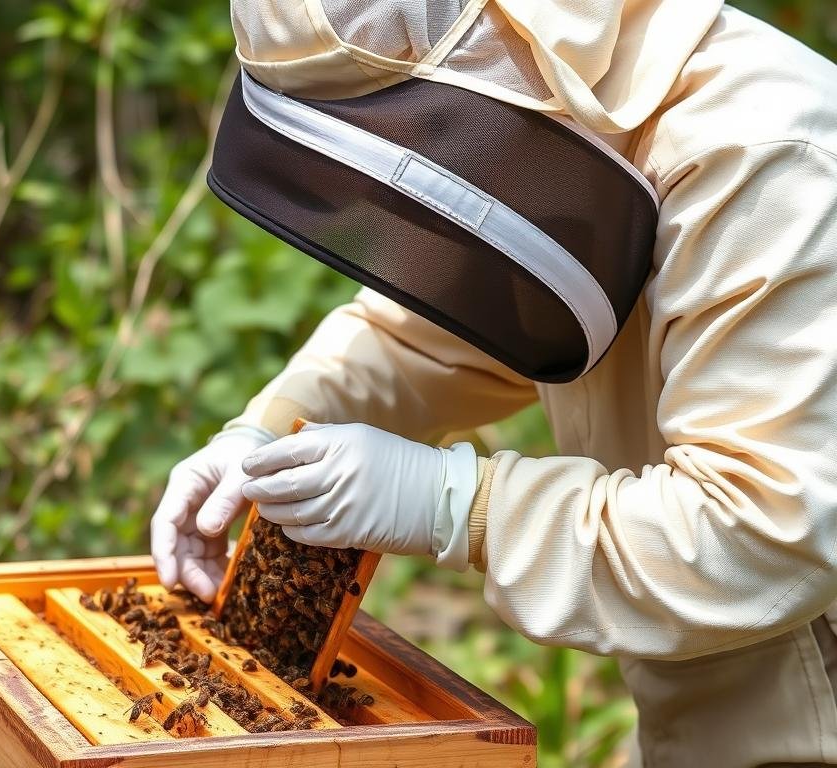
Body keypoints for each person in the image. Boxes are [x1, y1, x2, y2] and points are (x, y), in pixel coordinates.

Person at [151, 1, 837, 764]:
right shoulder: (576, 108)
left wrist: (455, 503)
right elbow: (429, 338)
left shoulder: (772, 158)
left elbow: (765, 530)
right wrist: (263, 434)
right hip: (705, 708)